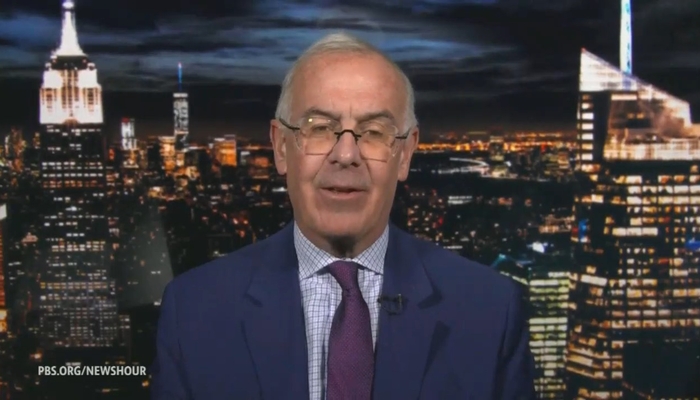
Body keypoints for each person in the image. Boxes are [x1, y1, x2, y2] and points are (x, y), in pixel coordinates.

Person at [151, 32, 535, 400]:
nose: (346, 155)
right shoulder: (193, 311)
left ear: (405, 153)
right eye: (320, 128)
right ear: (281, 147)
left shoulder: (491, 311)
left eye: (374, 132)